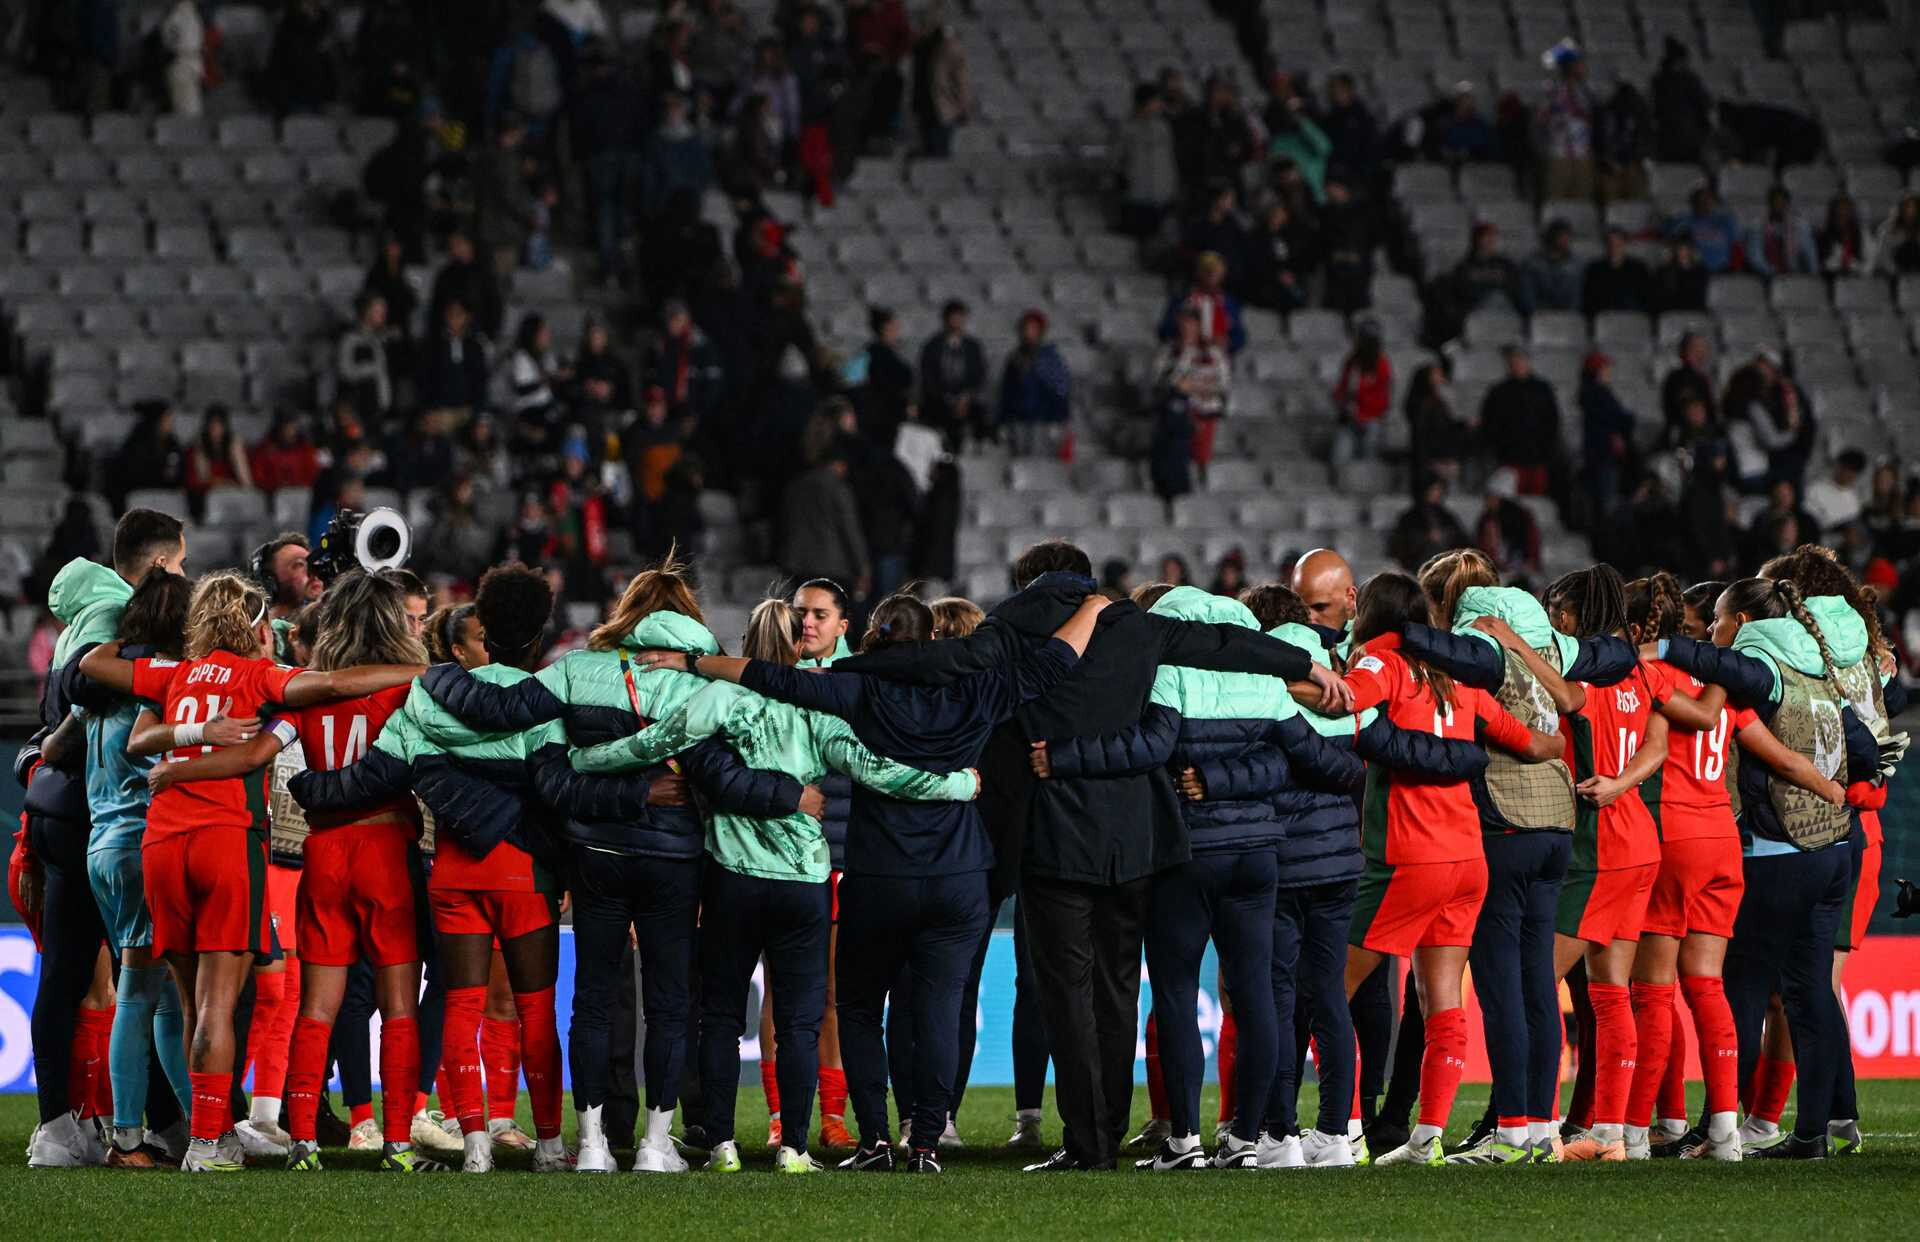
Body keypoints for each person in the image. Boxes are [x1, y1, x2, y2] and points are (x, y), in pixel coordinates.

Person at [826, 541, 1349, 1172]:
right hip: (1132, 837)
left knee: (1065, 994)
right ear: (1088, 582)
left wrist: (841, 674)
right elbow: (1223, 645)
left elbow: (944, 661)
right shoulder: (1135, 625)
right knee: (1117, 989)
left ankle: (1088, 1143)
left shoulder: (1013, 625)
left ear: (1035, 582)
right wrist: (1306, 663)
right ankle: (1108, 1129)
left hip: (1053, 835)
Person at [636, 589, 1110, 1172]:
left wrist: (691, 663)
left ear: (872, 636)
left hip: (872, 875)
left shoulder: (854, 685)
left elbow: (769, 678)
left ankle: (870, 1140)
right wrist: (1093, 607)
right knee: (936, 1006)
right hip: (957, 874)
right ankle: (929, 1140)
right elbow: (1055, 661)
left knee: (854, 1009)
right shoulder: (978, 689)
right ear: (932, 639)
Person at [385, 563, 808, 1172]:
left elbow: (507, 716)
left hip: (594, 856)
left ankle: (590, 1144)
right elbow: (723, 776)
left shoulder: (577, 670)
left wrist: (434, 676)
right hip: (674, 861)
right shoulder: (705, 684)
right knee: (667, 1004)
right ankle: (657, 1146)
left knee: (591, 1000)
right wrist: (784, 800)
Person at [569, 598, 979, 1173]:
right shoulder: (821, 709)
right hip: (805, 882)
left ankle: (723, 1145)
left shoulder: (719, 697)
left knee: (719, 1017)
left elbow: (654, 745)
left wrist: (589, 759)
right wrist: (957, 785)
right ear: (795, 646)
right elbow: (876, 771)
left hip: (732, 875)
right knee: (800, 1022)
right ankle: (793, 1148)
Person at [76, 573, 422, 1172]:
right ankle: (225, 1143)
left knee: (187, 1005)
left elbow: (95, 666)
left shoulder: (173, 673)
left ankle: (212, 1136)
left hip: (161, 841)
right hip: (235, 840)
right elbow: (334, 684)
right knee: (226, 1005)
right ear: (256, 624)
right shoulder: (263, 678)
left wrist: (187, 737)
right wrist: (420, 672)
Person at [1326, 572, 1561, 1165]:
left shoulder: (1382, 660)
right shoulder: (1459, 677)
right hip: (1468, 860)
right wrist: (1563, 746)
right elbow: (1532, 744)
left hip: (1410, 856)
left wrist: (1295, 680)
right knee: (1441, 1002)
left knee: (1329, 985)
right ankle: (1426, 1139)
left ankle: (1340, 1131)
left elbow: (1348, 701)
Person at [1655, 577, 1882, 1158]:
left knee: (1744, 991)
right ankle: (1812, 1134)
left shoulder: (1763, 669)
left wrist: (1658, 648)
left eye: (1720, 620)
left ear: (1747, 622)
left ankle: (1719, 1128)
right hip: (1833, 851)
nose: (1712, 630)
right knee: (1809, 994)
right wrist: (1855, 786)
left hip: (1778, 853)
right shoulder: (1818, 673)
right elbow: (1865, 745)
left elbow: (1722, 668)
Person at [21, 512, 191, 1170]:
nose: (182, 581)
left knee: (102, 978)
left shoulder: (90, 610)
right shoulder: (116, 611)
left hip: (73, 811)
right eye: (176, 568)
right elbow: (79, 689)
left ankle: (111, 1126)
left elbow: (63, 706)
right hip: (103, 815)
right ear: (154, 568)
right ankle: (112, 1129)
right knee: (131, 981)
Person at [1148, 307, 1229, 498]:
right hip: (1174, 415)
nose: (1187, 328)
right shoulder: (1169, 352)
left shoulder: (1211, 353)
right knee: (1173, 414)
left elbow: (1221, 385)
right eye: (1184, 324)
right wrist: (1180, 381)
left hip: (1205, 411)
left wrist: (1194, 387)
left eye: (1192, 324)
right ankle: (1172, 490)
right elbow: (1159, 384)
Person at [1477, 346, 1561, 495]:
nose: (1517, 364)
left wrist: (1548, 452)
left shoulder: (1543, 389)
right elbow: (1489, 424)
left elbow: (1552, 422)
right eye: (1513, 361)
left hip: (1538, 459)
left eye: (1520, 360)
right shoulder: (1498, 392)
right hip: (1508, 459)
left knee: (1536, 502)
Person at [996, 311, 1072, 459]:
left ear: (1041, 332)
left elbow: (1061, 391)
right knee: (1020, 462)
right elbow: (1006, 392)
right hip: (1018, 420)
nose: (1029, 333)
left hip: (1043, 421)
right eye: (1026, 329)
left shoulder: (1051, 360)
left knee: (1040, 463)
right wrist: (1002, 420)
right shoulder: (1013, 359)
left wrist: (1059, 419)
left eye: (1033, 329)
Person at [917, 301, 988, 448]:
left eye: (960, 317)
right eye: (953, 317)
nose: (957, 321)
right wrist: (949, 399)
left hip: (967, 399)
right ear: (946, 319)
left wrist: (965, 397)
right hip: (940, 400)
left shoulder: (973, 347)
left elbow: (979, 376)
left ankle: (977, 451)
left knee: (981, 413)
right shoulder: (932, 346)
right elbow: (928, 378)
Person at [1116, 84, 1179, 240]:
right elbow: (1115, 160)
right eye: (1155, 101)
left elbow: (1169, 160)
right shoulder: (1125, 129)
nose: (1159, 105)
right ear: (1144, 102)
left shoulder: (1163, 128)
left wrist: (1172, 187)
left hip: (1162, 197)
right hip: (1137, 197)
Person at [1580, 352, 1636, 523]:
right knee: (1607, 504)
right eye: (1604, 368)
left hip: (1602, 456)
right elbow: (1617, 419)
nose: (1608, 372)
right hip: (1603, 456)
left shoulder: (1597, 393)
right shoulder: (1597, 394)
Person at [1330, 320, 1390, 475]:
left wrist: (1361, 405)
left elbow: (1383, 400)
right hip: (1348, 419)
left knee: (1366, 461)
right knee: (1339, 460)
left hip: (1370, 419)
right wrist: (1340, 400)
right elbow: (1341, 389)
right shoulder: (1351, 362)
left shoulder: (1382, 365)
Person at [184, 408, 255, 519]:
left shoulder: (235, 447)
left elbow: (246, 482)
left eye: (219, 426)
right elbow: (195, 481)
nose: (215, 431)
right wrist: (215, 482)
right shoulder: (197, 449)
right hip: (204, 501)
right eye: (212, 426)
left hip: (232, 496)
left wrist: (236, 454)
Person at [1388, 474, 1470, 569]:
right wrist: (1426, 537)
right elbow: (1401, 545)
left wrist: (1446, 536)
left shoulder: (1446, 516)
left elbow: (1461, 539)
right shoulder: (1409, 517)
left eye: (1440, 490)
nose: (1438, 493)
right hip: (1418, 565)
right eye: (1434, 489)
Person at [337, 294, 395, 425]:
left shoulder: (381, 339)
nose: (383, 315)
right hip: (358, 410)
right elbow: (345, 372)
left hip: (379, 409)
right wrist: (372, 368)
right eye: (378, 311)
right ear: (366, 312)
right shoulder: (350, 339)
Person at [1668, 186, 1742, 274]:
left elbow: (1736, 246)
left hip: (1724, 268)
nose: (1706, 202)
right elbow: (1671, 237)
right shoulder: (1685, 220)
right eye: (1702, 200)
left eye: (1709, 199)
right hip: (1695, 269)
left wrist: (1735, 268)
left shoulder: (1725, 220)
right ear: (1694, 203)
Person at [1748, 187, 1819, 277]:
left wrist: (1813, 276)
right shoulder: (1757, 227)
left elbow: (1810, 255)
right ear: (1769, 204)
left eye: (1782, 203)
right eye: (1776, 203)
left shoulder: (1800, 227)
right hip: (1766, 276)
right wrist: (1772, 272)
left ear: (1788, 204)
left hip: (1795, 275)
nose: (1779, 206)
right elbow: (1755, 258)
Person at [1583, 227, 1653, 316]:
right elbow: (1590, 300)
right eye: (1610, 244)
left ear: (1624, 244)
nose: (1614, 247)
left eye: (1618, 243)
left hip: (1631, 315)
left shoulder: (1639, 269)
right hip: (1604, 317)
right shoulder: (1594, 269)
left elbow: (1646, 298)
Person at [1660, 333, 1717, 437]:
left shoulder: (1702, 378)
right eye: (1696, 348)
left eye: (1703, 348)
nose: (1702, 352)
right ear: (1684, 351)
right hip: (1686, 435)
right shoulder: (1677, 378)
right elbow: (1689, 412)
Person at [1520, 219, 1581, 314]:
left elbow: (1576, 296)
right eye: (1561, 236)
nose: (1566, 240)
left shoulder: (1576, 264)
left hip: (1567, 315)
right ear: (1552, 237)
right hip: (1540, 314)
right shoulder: (1532, 264)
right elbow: (1528, 296)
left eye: (1567, 236)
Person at [1805, 450, 1868, 536]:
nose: (1850, 474)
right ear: (1838, 466)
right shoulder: (1815, 489)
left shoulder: (1854, 501)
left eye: (1855, 471)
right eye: (1848, 468)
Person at [1651, 238, 1709, 313]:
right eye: (1680, 249)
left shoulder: (1701, 271)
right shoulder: (1664, 271)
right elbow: (1662, 297)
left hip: (1695, 310)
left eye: (1687, 249)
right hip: (1671, 311)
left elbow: (1701, 296)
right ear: (1674, 251)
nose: (1684, 253)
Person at [1819, 193, 1869, 277]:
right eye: (1839, 213)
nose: (1843, 213)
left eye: (1846, 211)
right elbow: (1821, 264)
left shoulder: (1862, 234)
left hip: (1857, 279)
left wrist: (1854, 266)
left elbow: (1869, 262)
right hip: (1830, 278)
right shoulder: (1824, 236)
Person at [1870, 193, 1920, 274]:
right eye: (1907, 207)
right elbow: (1883, 257)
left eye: (1914, 207)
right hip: (1890, 275)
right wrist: (1897, 272)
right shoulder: (1887, 229)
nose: (1911, 211)